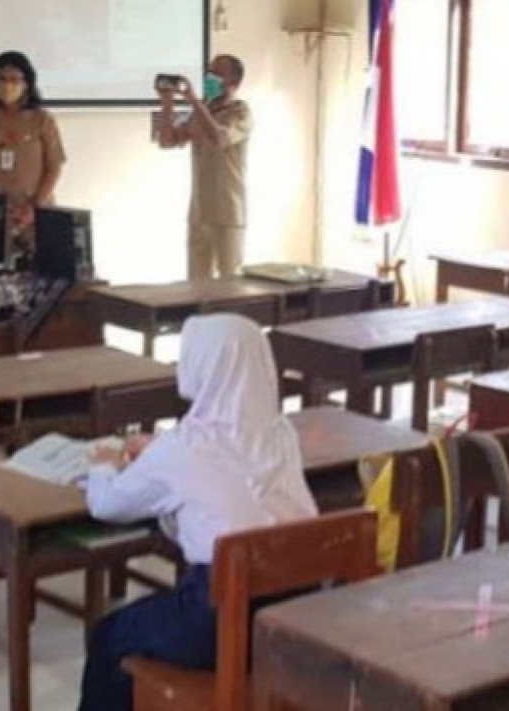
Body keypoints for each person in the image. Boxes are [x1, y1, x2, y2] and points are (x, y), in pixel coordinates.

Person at [77, 314, 317, 711]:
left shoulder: (181, 449)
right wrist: (160, 450)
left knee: (110, 635)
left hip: (218, 625)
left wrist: (104, 463)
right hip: (293, 616)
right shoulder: (281, 435)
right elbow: (230, 476)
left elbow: (106, 505)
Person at [155, 54, 253, 280]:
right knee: (196, 283)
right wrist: (167, 102)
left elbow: (219, 139)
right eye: (209, 72)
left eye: (217, 74)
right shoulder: (202, 111)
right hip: (199, 211)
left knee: (229, 283)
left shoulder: (241, 112)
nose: (210, 78)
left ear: (235, 82)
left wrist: (194, 101)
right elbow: (167, 141)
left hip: (227, 211)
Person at [0, 51, 66, 257]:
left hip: (38, 211)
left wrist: (33, 208)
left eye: (14, 80)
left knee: (43, 266)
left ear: (27, 83)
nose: (7, 85)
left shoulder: (42, 119)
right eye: (1, 79)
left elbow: (54, 166)